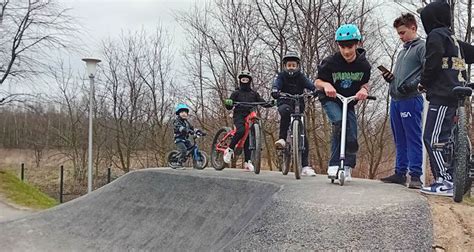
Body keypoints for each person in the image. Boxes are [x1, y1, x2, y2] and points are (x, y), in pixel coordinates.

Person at [418, 1, 474, 196]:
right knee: (447, 139)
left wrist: (423, 82)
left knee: (432, 138)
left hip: (443, 94)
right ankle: (452, 177)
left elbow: (432, 61)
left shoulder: (435, 36)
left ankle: (445, 180)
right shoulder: (454, 39)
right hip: (457, 91)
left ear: (430, 19)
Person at [315, 24, 371, 181]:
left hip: (349, 102)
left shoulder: (364, 65)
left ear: (357, 43)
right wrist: (326, 85)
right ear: (338, 45)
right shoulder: (330, 62)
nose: (346, 51)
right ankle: (333, 164)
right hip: (331, 99)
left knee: (352, 134)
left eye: (350, 46)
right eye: (342, 46)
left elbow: (365, 83)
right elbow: (317, 81)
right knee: (339, 123)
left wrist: (364, 91)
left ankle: (346, 166)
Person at [380, 13, 425, 189]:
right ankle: (400, 172)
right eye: (398, 33)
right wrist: (391, 79)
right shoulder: (402, 51)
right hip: (396, 99)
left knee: (412, 137)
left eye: (403, 32)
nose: (400, 37)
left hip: (411, 99)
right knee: (399, 138)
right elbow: (402, 76)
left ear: (413, 28)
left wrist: (413, 85)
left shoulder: (422, 47)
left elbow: (427, 70)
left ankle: (415, 175)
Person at [271, 52, 317, 176]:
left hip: (298, 104)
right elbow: (277, 84)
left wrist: (315, 90)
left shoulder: (301, 77)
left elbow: (309, 84)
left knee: (303, 135)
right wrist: (275, 90)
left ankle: (305, 166)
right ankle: (282, 139)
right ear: (285, 66)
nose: (291, 67)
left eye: (293, 65)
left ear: (298, 66)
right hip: (284, 102)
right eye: (289, 65)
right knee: (285, 113)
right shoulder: (281, 76)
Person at [223, 70, 273, 172]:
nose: (244, 81)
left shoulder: (254, 94)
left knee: (249, 138)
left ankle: (248, 162)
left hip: (249, 116)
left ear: (250, 81)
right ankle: (229, 149)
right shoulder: (236, 93)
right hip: (239, 115)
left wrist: (271, 103)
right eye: (243, 79)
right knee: (240, 131)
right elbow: (229, 105)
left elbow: (262, 102)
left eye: (246, 79)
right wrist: (229, 103)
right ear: (240, 80)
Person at [173, 103, 194, 168]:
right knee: (184, 150)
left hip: (185, 139)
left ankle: (196, 162)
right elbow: (178, 127)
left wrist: (198, 131)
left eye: (185, 112)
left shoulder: (187, 122)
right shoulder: (176, 121)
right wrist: (185, 130)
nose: (184, 113)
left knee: (192, 148)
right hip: (178, 139)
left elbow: (192, 128)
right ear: (178, 113)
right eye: (182, 112)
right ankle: (178, 162)